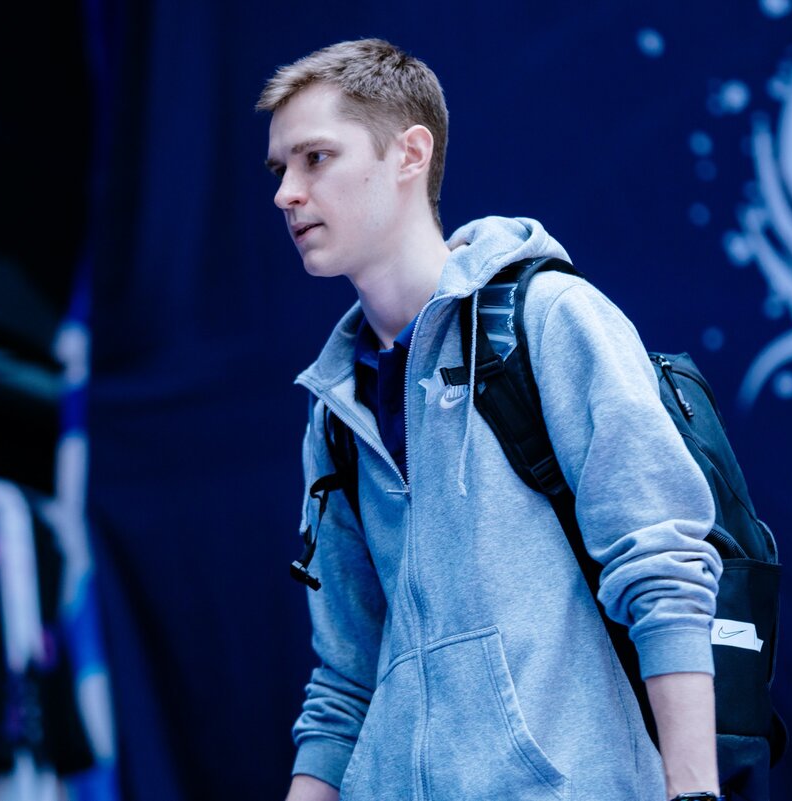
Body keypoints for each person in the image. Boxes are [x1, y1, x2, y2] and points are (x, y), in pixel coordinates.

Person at [258, 38, 724, 801]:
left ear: (411, 154)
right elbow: (346, 677)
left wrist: (695, 793)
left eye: (315, 158)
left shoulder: (546, 318)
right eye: (280, 169)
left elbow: (663, 569)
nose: (286, 193)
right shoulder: (335, 410)